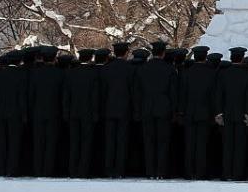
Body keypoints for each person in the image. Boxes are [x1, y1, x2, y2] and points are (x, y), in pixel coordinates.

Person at [134, 40, 177, 179]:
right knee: (163, 142)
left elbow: (137, 92)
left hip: (147, 108)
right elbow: (173, 92)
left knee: (149, 142)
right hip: (164, 108)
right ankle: (161, 171)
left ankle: (150, 171)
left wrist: (138, 109)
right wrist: (174, 110)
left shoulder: (142, 69)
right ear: (163, 53)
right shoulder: (169, 69)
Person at [215, 47, 248, 180]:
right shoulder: (247, 74)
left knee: (227, 145)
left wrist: (219, 112)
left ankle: (226, 173)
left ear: (231, 58)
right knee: (239, 146)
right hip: (241, 114)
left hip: (227, 114)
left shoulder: (223, 74)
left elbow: (219, 94)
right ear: (242, 58)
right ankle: (238, 173)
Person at [179, 46, 215, 179]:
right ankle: (201, 172)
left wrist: (181, 111)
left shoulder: (187, 73)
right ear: (205, 57)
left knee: (189, 143)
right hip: (205, 112)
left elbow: (182, 94)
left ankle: (189, 171)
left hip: (189, 112)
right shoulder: (211, 73)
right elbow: (213, 95)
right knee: (202, 144)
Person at [29, 46, 64, 177]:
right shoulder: (60, 74)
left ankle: (38, 169)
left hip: (38, 112)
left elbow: (31, 95)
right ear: (54, 58)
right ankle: (48, 170)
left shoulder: (34, 74)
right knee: (50, 143)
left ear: (42, 58)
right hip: (54, 113)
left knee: (38, 143)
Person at [63, 48, 99, 178]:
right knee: (86, 143)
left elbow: (66, 96)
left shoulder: (70, 74)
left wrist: (66, 112)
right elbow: (94, 97)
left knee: (74, 143)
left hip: (73, 112)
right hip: (88, 113)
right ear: (90, 58)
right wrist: (95, 113)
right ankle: (83, 171)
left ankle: (73, 170)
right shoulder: (93, 74)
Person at [101, 41, 134, 178]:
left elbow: (102, 91)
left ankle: (109, 169)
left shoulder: (106, 69)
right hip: (124, 110)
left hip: (109, 109)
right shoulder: (130, 69)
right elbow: (133, 91)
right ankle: (120, 170)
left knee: (109, 141)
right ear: (126, 53)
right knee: (121, 141)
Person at [0, 50, 27, 177]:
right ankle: (11, 169)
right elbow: (22, 98)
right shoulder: (21, 76)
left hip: (1, 112)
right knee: (14, 142)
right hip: (16, 113)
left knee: (2, 141)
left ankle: (1, 168)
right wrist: (24, 115)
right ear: (18, 61)